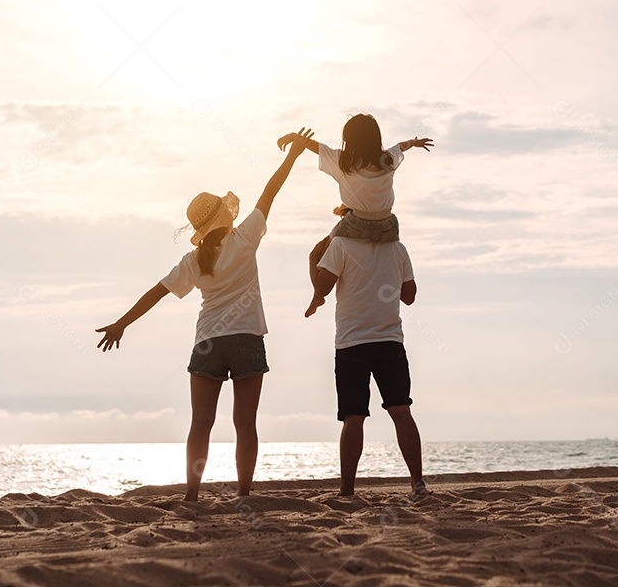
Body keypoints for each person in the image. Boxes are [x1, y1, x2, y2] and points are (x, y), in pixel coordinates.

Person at [96, 128, 314, 502]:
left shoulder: (194, 259)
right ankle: (244, 495)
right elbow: (270, 191)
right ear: (227, 219)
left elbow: (156, 292)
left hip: (209, 342)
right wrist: (293, 155)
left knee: (200, 424)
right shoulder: (245, 238)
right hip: (246, 338)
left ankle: (192, 496)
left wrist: (122, 324)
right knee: (245, 424)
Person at [277, 114, 431, 317]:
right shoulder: (388, 160)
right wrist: (415, 142)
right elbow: (401, 146)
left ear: (348, 140)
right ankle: (398, 278)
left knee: (319, 251)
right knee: (395, 252)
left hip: (357, 223)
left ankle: (317, 295)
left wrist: (293, 136)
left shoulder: (343, 163)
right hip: (388, 224)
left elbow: (316, 147)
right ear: (376, 138)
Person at [311, 233, 428, 499]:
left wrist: (313, 259)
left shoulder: (340, 244)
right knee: (401, 411)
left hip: (352, 344)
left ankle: (347, 492)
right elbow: (409, 296)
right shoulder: (397, 248)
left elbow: (322, 289)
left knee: (353, 417)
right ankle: (418, 485)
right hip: (389, 342)